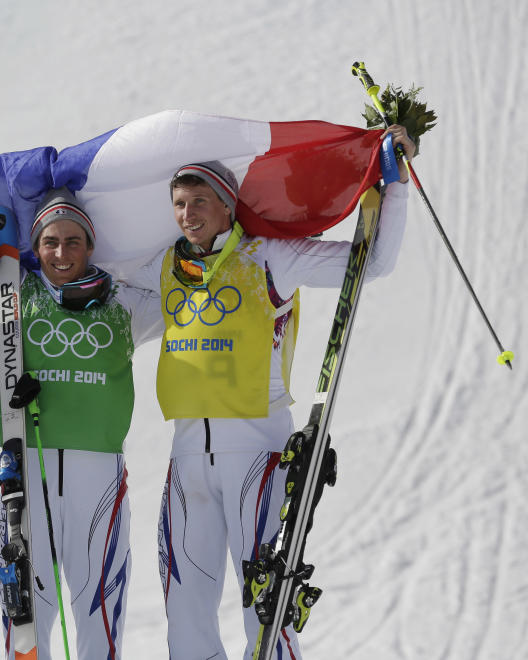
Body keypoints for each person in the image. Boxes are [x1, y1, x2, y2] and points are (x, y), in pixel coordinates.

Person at [126, 125, 417, 659]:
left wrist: (392, 186)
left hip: (257, 448)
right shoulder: (164, 267)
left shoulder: (269, 258)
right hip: (188, 453)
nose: (188, 215)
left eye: (200, 203)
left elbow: (369, 263)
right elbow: (94, 270)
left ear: (227, 205)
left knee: (265, 601)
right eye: (179, 204)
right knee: (185, 604)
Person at [0, 187, 161, 659]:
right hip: (28, 471)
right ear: (36, 246)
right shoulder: (12, 293)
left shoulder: (126, 302)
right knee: (26, 614)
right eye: (50, 242)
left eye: (73, 241)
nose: (61, 253)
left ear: (90, 246)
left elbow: (184, 286)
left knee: (101, 608)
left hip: (98, 475)